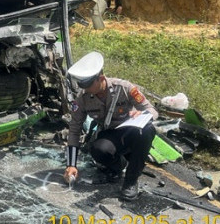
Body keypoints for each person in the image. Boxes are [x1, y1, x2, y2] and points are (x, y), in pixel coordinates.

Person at [63, 51, 157, 200]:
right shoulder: (82, 98)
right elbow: (74, 129)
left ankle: (131, 182)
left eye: (88, 85)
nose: (85, 89)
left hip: (130, 132)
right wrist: (71, 164)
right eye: (82, 85)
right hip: (109, 135)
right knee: (98, 150)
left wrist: (143, 115)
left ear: (100, 78)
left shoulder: (124, 88)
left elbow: (151, 109)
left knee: (148, 130)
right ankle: (117, 166)